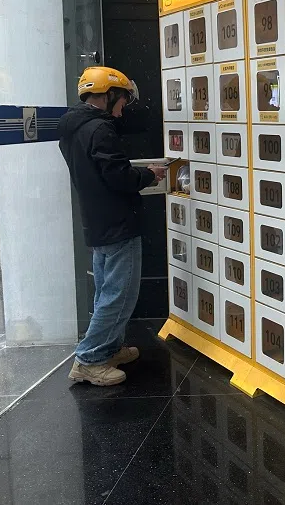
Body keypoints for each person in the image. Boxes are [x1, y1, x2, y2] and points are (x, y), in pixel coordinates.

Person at [58, 66, 167, 386]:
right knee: (118, 295)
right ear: (108, 95)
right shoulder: (100, 130)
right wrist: (150, 175)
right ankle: (89, 359)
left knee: (107, 290)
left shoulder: (73, 127)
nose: (123, 109)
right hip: (118, 223)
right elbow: (119, 177)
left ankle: (107, 349)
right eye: (122, 100)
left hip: (98, 223)